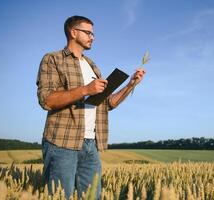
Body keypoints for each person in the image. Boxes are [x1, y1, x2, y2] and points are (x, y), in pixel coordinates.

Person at [36, 15, 145, 199]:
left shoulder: (92, 66)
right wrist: (86, 89)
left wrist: (130, 85)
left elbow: (109, 103)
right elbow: (46, 100)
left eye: (93, 34)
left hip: (90, 144)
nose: (92, 37)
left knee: (92, 196)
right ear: (73, 32)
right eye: (88, 33)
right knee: (60, 196)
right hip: (62, 143)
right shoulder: (53, 59)